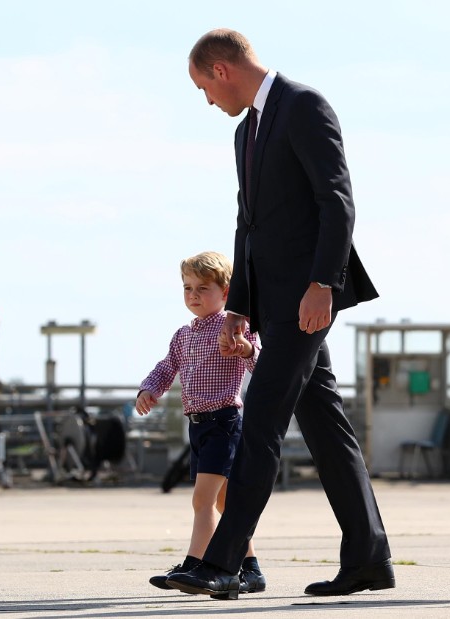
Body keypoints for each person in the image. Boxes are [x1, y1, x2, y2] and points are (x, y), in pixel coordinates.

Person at [167, 29, 392, 600]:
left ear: (222, 70)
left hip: (308, 298)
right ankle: (368, 558)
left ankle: (224, 563)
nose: (208, 102)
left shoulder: (303, 105)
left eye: (203, 88)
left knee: (262, 419)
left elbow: (336, 201)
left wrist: (324, 284)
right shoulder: (247, 131)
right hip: (271, 302)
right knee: (325, 426)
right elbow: (249, 227)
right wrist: (238, 308)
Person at [135, 251, 265, 597]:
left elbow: (261, 364)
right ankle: (251, 570)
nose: (193, 295)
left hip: (224, 423)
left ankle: (195, 564)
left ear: (226, 293)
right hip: (199, 427)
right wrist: (149, 389)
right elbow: (167, 367)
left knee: (202, 500)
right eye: (187, 288)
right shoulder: (183, 335)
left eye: (202, 288)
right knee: (224, 504)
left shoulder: (235, 326)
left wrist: (244, 352)